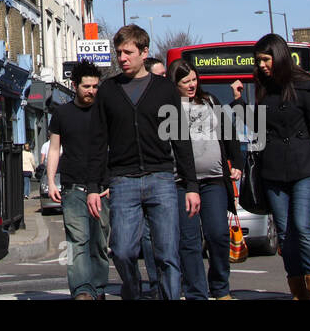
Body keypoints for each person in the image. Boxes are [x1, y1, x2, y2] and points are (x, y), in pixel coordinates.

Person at [85, 24, 199, 301]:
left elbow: (180, 139)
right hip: (123, 181)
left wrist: (191, 184)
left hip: (161, 177)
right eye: (119, 52)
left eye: (128, 52)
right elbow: (98, 141)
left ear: (144, 52)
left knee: (167, 254)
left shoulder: (165, 90)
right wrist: (92, 186)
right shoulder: (109, 90)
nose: (122, 58)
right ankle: (133, 290)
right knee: (122, 251)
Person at [252, 34, 310, 300]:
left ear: (279, 57)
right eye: (258, 60)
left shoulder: (304, 86)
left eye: (266, 59)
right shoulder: (261, 88)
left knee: (302, 226)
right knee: (285, 233)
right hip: (273, 171)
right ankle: (299, 290)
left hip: (305, 168)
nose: (262, 65)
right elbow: (258, 133)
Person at [171, 59, 243, 300]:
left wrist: (238, 163)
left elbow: (228, 132)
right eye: (185, 82)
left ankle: (220, 287)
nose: (191, 85)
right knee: (189, 241)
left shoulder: (210, 101)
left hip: (213, 180)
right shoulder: (170, 108)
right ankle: (196, 292)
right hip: (182, 183)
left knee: (218, 235)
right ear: (175, 84)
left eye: (193, 79)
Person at [46, 68, 111, 299]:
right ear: (75, 85)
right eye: (86, 86)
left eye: (95, 87)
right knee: (77, 240)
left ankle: (99, 288)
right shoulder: (62, 114)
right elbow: (54, 149)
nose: (91, 91)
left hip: (102, 188)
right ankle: (82, 291)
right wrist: (51, 181)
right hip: (73, 187)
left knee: (99, 243)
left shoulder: (104, 112)